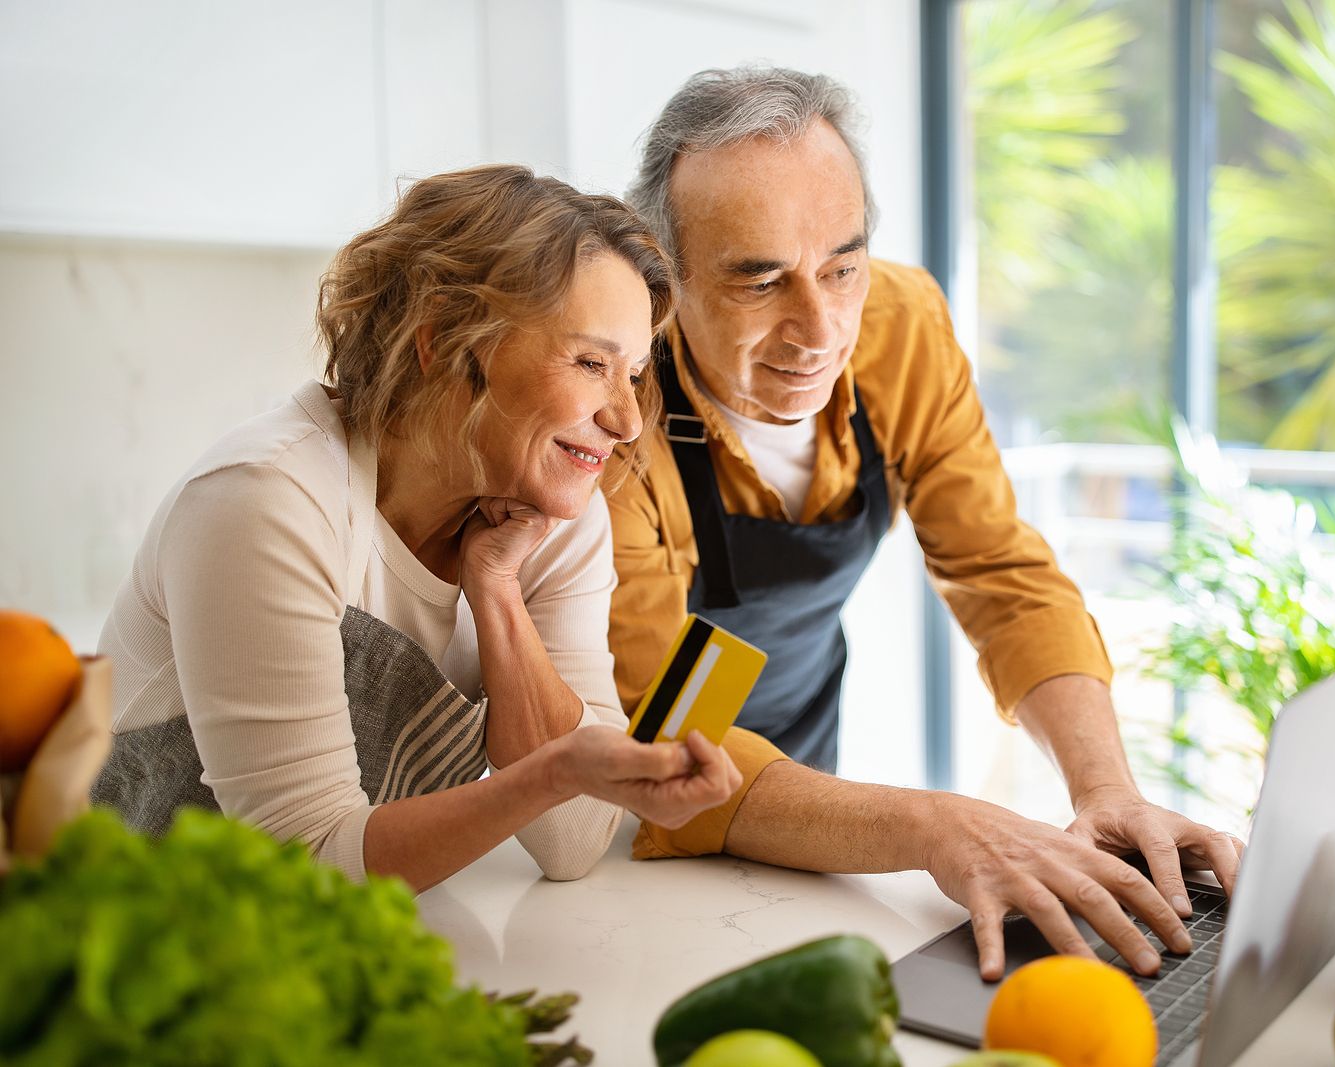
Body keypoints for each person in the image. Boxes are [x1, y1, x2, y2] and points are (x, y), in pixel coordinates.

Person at [607, 68, 1244, 980]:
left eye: (842, 266)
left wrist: (1104, 786)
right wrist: (937, 823)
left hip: (807, 770)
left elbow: (1000, 571)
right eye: (761, 283)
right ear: (664, 279)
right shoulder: (616, 406)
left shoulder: (902, 323)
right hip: (633, 821)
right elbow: (662, 736)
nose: (819, 327)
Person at [92, 165, 741, 892]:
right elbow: (308, 867)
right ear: (440, 338)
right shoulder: (265, 500)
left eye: (632, 375)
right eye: (591, 362)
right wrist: (554, 770)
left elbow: (575, 837)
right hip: (116, 939)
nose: (625, 421)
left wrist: (494, 592)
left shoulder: (553, 516)